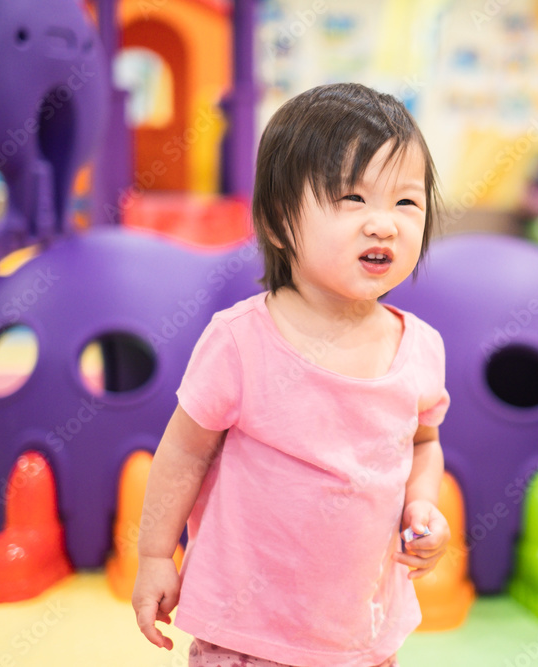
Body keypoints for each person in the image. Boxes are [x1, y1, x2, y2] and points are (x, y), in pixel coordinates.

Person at [131, 82, 452, 667]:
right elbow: (183, 451)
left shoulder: (421, 348)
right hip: (245, 634)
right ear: (279, 222)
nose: (384, 224)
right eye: (353, 199)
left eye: (406, 203)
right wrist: (156, 555)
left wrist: (422, 506)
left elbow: (424, 441)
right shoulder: (241, 342)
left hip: (363, 635)